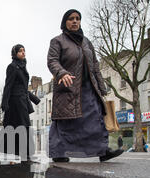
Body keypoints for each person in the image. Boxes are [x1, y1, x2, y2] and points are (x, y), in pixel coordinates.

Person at [47, 9, 123, 163]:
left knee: (95, 118)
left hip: (89, 88)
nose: (75, 21)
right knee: (65, 123)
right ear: (65, 22)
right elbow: (52, 61)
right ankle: (59, 153)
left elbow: (95, 66)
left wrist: (102, 88)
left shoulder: (87, 42)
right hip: (67, 89)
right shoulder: (57, 41)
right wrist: (62, 73)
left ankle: (103, 150)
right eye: (71, 19)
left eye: (77, 18)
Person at [0, 44, 41, 160]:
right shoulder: (12, 66)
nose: (23, 53)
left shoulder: (22, 66)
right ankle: (27, 153)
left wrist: (34, 99)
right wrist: (4, 103)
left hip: (22, 100)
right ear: (15, 53)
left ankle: (0, 145)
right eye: (20, 51)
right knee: (23, 125)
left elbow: (23, 88)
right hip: (15, 101)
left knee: (14, 127)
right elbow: (8, 85)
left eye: (24, 51)